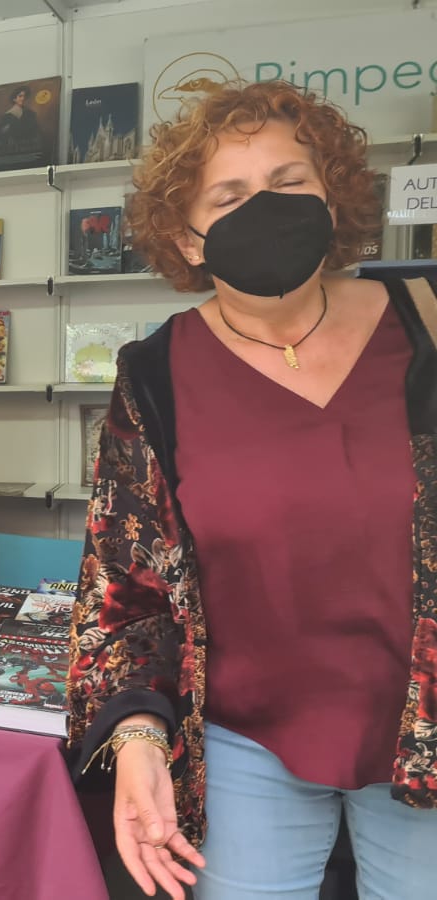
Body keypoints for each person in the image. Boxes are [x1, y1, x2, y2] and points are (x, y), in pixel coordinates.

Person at [65, 80, 437, 900]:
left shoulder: (426, 326)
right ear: (189, 239)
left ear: (333, 198)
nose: (263, 209)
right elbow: (125, 589)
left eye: (288, 183)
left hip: (423, 731)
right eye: (229, 196)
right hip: (245, 742)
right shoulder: (153, 377)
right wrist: (134, 737)